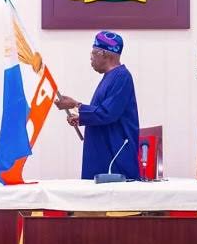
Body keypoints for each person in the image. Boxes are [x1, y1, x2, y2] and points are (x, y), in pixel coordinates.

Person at [54, 31, 140, 180]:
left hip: (114, 157)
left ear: (104, 54)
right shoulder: (110, 77)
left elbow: (108, 114)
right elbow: (103, 112)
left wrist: (75, 105)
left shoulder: (122, 77)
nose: (91, 57)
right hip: (102, 152)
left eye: (93, 53)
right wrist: (81, 118)